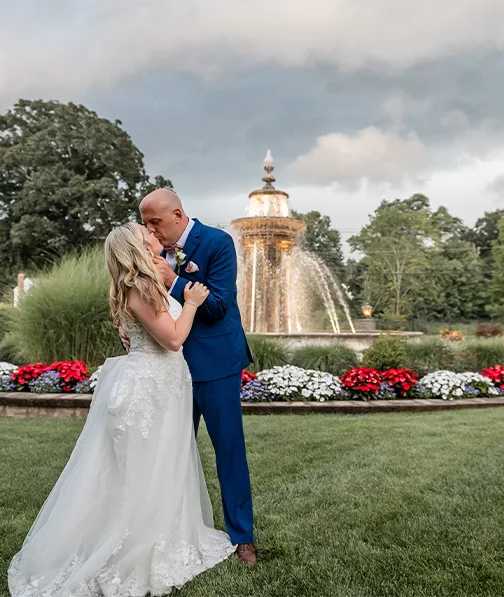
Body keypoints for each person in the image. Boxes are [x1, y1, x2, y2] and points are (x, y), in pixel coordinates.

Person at [8, 222, 236, 597]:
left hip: (154, 384)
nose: (153, 234)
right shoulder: (142, 288)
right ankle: (135, 546)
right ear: (138, 246)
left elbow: (139, 336)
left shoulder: (133, 285)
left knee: (147, 468)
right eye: (146, 233)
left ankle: (157, 531)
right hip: (148, 391)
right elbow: (175, 339)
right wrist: (192, 303)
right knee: (145, 470)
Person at [135, 188, 257, 565]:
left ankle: (243, 538)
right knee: (169, 451)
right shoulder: (148, 249)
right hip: (169, 366)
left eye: (155, 222)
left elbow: (218, 306)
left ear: (177, 214)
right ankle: (167, 536)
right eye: (145, 224)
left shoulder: (218, 243)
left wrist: (173, 279)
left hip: (216, 363)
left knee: (229, 450)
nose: (151, 231)